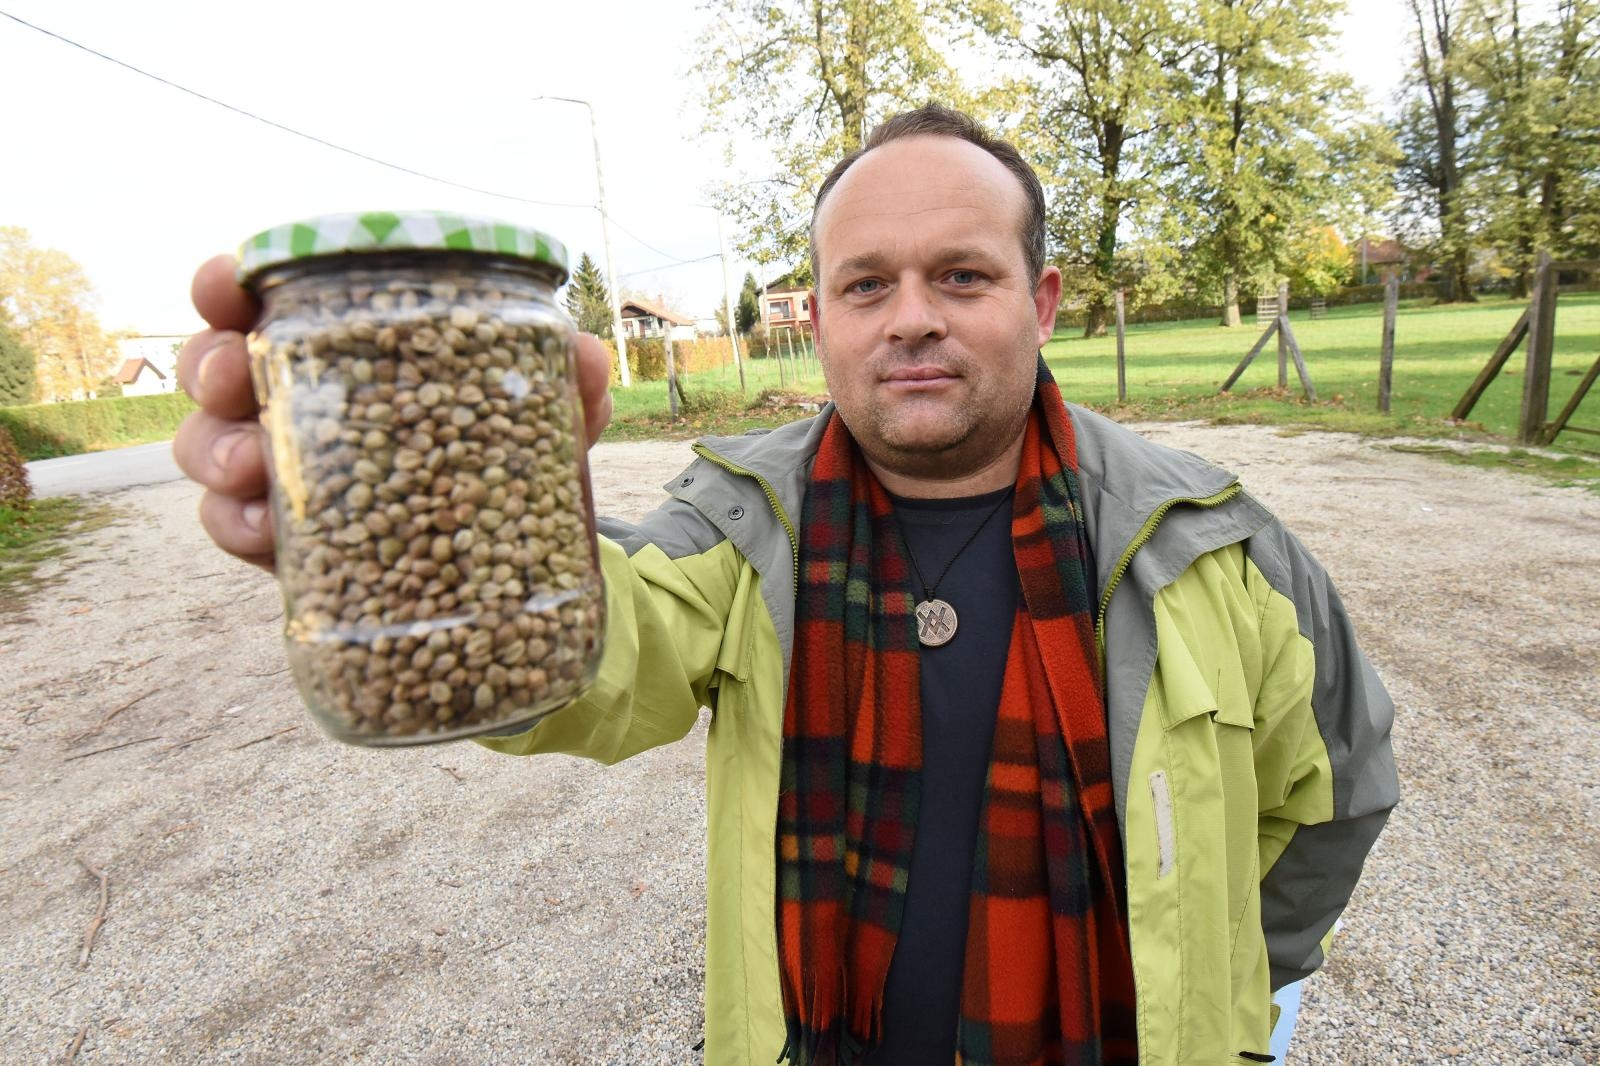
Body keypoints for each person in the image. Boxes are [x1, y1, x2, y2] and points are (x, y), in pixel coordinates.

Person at [174, 105, 1398, 1066]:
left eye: (961, 276)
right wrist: (445, 535)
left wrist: (1226, 992)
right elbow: (597, 656)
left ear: (1041, 302)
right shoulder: (740, 522)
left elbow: (1336, 793)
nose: (909, 319)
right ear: (817, 316)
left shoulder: (1211, 543)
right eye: (866, 284)